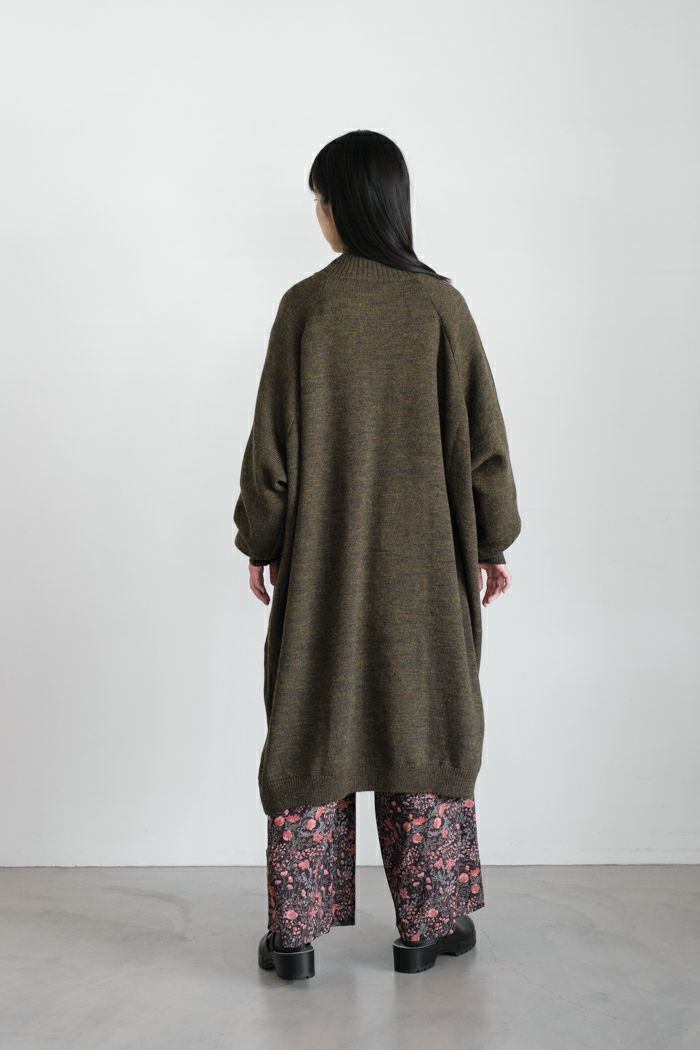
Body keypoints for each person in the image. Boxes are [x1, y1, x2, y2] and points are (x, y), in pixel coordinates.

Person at [233, 130, 522, 980]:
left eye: (319, 201)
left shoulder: (307, 308)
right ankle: (426, 929)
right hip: (427, 573)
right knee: (422, 720)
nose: (318, 216)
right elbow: (487, 449)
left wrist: (260, 541)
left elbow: (271, 457)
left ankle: (294, 938)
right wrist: (493, 539)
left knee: (312, 723)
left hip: (324, 571)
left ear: (340, 208)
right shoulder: (441, 308)